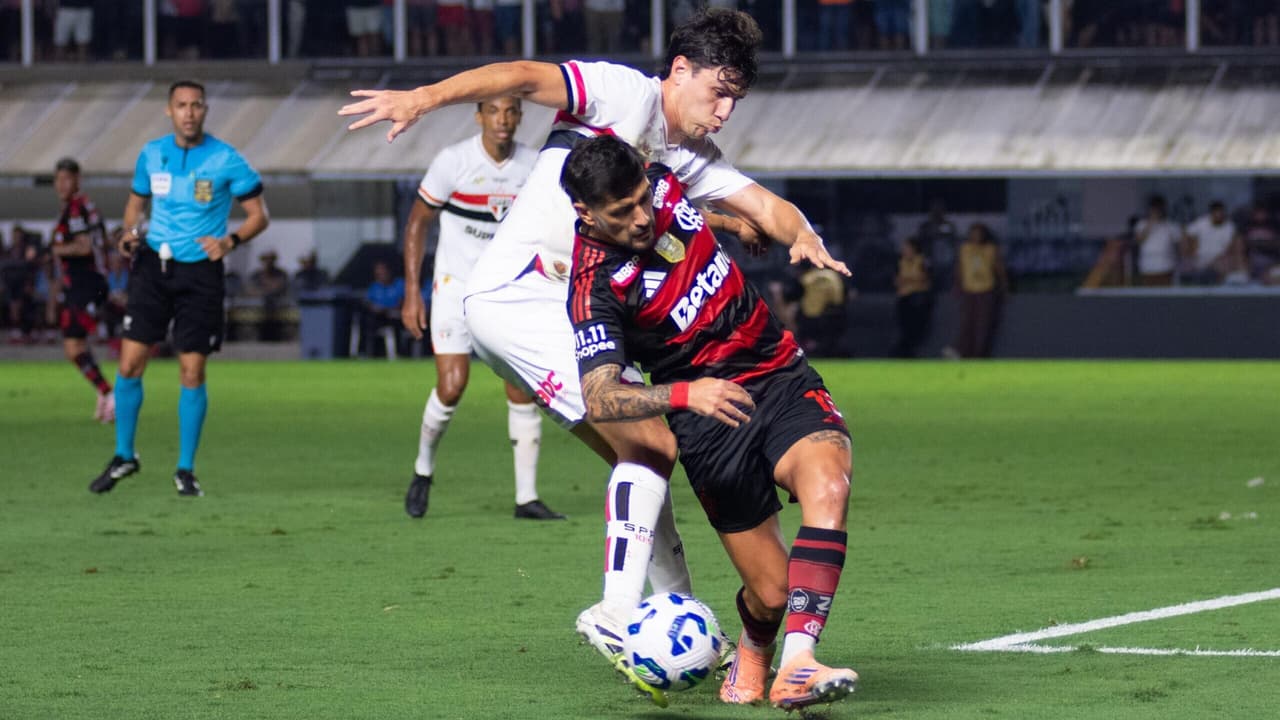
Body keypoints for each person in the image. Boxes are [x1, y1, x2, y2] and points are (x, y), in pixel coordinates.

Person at [339, 8, 848, 705]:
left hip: (558, 308)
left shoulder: (685, 156)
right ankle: (614, 612)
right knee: (654, 440)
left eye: (737, 98)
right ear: (679, 71)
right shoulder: (622, 94)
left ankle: (684, 621)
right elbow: (521, 75)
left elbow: (765, 203)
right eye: (717, 92)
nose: (726, 111)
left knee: (642, 458)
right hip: (519, 299)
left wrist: (802, 236)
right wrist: (421, 99)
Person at [562, 135, 858, 710]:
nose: (644, 218)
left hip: (778, 375)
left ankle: (798, 662)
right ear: (587, 213)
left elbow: (684, 209)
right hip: (710, 416)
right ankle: (755, 647)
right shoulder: (593, 285)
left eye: (645, 200)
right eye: (624, 214)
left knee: (829, 485)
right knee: (771, 592)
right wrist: (683, 393)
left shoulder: (659, 177)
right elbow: (598, 397)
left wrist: (730, 224)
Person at [89, 80, 269, 498]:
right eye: (181, 105)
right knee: (131, 362)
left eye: (196, 105)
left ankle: (185, 469)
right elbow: (136, 202)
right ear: (169, 111)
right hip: (154, 266)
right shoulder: (152, 153)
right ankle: (124, 456)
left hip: (201, 273)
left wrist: (230, 241)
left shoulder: (226, 159)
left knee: (192, 370)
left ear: (205, 110)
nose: (189, 112)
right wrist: (130, 232)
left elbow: (258, 215)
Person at [399, 97, 560, 521]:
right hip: (454, 289)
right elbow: (418, 222)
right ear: (480, 116)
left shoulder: (534, 165)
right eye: (494, 111)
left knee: (521, 388)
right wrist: (413, 292)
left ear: (520, 117)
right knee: (452, 386)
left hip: (508, 294)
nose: (503, 120)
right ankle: (423, 470)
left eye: (511, 112)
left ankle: (527, 497)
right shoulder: (453, 161)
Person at [48, 157, 114, 422]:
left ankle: (109, 394)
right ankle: (104, 392)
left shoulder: (76, 209)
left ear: (78, 180)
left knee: (73, 348)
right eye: (59, 179)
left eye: (67, 178)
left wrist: (53, 249)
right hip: (84, 284)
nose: (62, 184)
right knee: (77, 345)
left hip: (86, 284)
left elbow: (84, 246)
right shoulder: (83, 207)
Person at [947, 222, 1006, 358]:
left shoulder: (991, 249)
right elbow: (959, 268)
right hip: (969, 290)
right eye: (973, 233)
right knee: (967, 322)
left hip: (986, 290)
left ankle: (980, 355)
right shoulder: (965, 249)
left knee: (984, 326)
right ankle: (962, 352)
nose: (976, 236)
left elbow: (1000, 270)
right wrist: (957, 285)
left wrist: (1004, 288)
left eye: (979, 233)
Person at [1181, 201, 1245, 285]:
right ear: (1211, 213)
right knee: (1186, 267)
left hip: (1219, 260)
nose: (1219, 215)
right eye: (1216, 212)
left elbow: (1232, 246)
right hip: (1200, 258)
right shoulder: (1201, 223)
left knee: (1227, 264)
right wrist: (1189, 252)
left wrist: (1220, 258)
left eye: (1221, 212)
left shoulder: (1230, 226)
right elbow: (1186, 234)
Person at [891, 236, 934, 358]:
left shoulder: (923, 261)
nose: (904, 250)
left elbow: (926, 278)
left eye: (907, 248)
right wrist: (911, 280)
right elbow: (896, 280)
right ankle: (905, 353)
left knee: (917, 329)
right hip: (904, 298)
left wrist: (908, 280)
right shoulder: (900, 262)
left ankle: (914, 352)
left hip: (919, 298)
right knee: (904, 327)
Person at [361, 259, 404, 356]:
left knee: (396, 321)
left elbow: (402, 301)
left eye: (383, 273)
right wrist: (374, 308)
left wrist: (388, 309)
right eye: (378, 274)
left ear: (389, 271)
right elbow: (367, 302)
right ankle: (367, 353)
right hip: (379, 317)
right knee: (367, 320)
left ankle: (399, 353)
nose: (381, 276)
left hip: (396, 316)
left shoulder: (399, 283)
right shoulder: (374, 287)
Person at [1134, 195, 1180, 286]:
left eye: (1159, 209)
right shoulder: (1141, 225)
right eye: (1154, 209)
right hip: (1147, 268)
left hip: (1166, 267)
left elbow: (1178, 246)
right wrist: (1150, 223)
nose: (1156, 212)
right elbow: (1139, 241)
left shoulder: (1171, 226)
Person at [247, 249, 290, 340]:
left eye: (271, 259)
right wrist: (264, 292)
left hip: (277, 306)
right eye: (266, 259)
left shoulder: (281, 274)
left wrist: (268, 290)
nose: (268, 262)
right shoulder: (256, 275)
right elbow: (250, 290)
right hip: (259, 307)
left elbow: (281, 287)